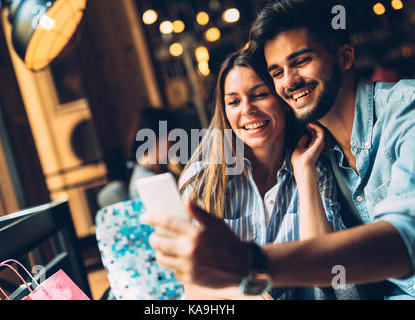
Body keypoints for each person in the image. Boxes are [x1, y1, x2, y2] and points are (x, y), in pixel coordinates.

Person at [141, 0, 415, 300]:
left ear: (345, 56)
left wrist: (251, 263)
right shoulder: (321, 154)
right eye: (277, 72)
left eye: (301, 61)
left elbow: (404, 240)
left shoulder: (405, 111)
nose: (290, 81)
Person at [177, 50, 346, 300]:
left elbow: (324, 272)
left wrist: (304, 171)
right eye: (234, 101)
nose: (248, 110)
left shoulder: (315, 167)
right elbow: (190, 283)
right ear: (225, 112)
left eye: (260, 95)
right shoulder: (203, 180)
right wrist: (245, 296)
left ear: (284, 101)